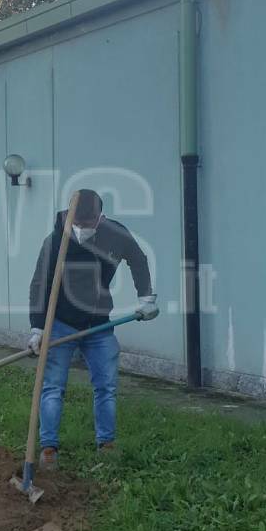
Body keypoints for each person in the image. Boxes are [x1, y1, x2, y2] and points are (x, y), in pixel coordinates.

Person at [28, 188, 158, 462]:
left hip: (98, 325)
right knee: (53, 386)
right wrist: (38, 327)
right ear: (70, 218)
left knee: (106, 386)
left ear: (100, 217)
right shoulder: (55, 241)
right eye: (78, 224)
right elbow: (40, 283)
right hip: (61, 323)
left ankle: (106, 444)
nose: (83, 229)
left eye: (89, 224)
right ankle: (48, 447)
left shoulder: (114, 233)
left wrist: (146, 298)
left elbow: (138, 260)